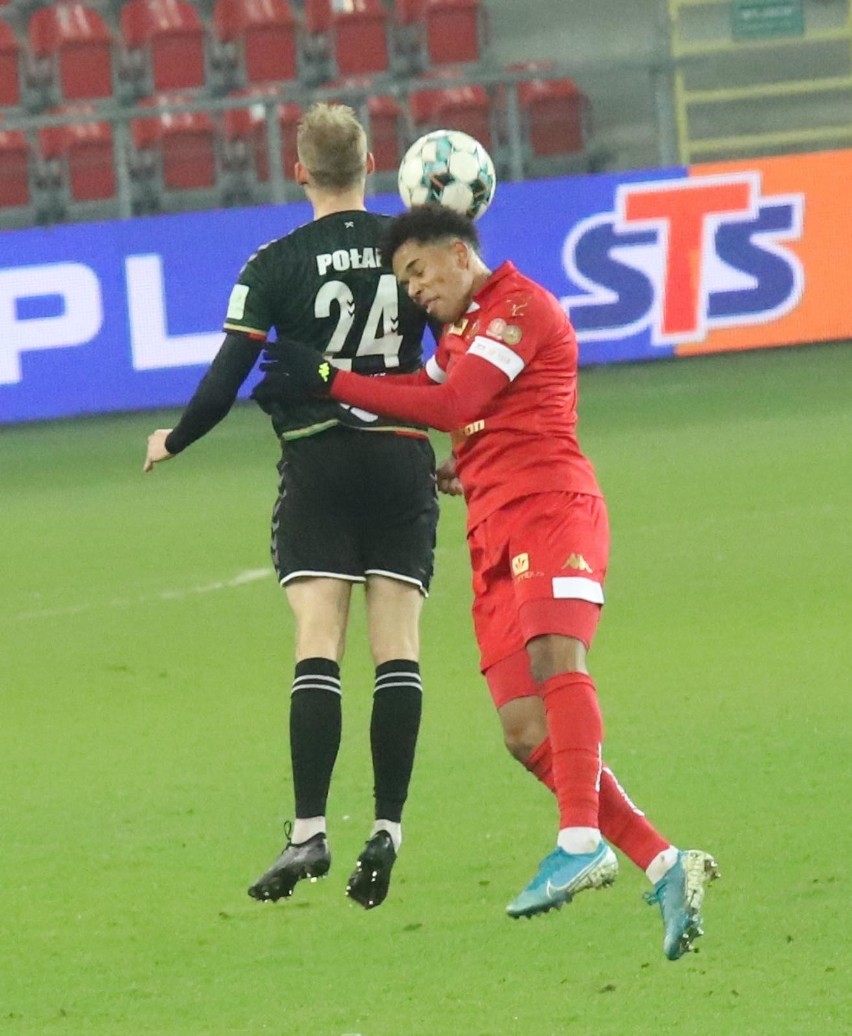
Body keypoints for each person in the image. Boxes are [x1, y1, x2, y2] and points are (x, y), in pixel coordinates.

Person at [252, 203, 720, 960]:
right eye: (403, 280)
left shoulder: (517, 307)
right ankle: (666, 864)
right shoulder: (462, 333)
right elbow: (431, 388)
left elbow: (453, 402)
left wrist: (334, 380)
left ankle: (579, 842)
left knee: (554, 659)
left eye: (417, 272)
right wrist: (434, 449)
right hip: (494, 534)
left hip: (550, 510)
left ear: (458, 253)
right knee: (523, 730)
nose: (413, 292)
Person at [143, 103, 441, 911]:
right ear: (372, 162)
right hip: (402, 460)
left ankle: (309, 829)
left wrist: (178, 438)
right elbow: (459, 363)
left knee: (318, 646)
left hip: (318, 463)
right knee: (397, 650)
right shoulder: (412, 249)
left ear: (300, 170)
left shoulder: (273, 262)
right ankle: (389, 825)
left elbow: (227, 374)